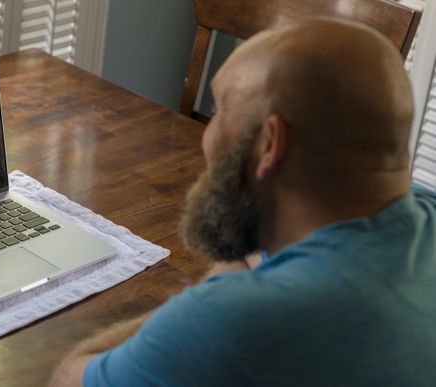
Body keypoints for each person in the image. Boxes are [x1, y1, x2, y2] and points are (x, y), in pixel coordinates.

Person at [50, 18, 436, 386]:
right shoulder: (418, 212)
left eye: (220, 110)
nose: (207, 134)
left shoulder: (232, 321)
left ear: (269, 145)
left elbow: (67, 379)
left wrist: (214, 292)